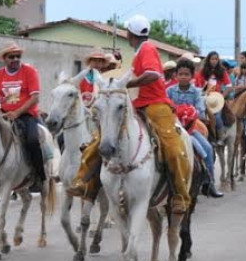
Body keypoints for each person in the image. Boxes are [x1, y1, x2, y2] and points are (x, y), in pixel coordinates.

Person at [67, 15, 192, 215]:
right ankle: (83, 182)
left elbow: (153, 74)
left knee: (173, 147)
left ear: (129, 34)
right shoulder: (138, 52)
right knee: (103, 138)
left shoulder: (147, 49)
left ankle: (180, 196)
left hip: (157, 104)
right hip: (136, 104)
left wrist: (127, 84)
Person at [0, 41, 46, 192]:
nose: (15, 59)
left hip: (26, 115)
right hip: (4, 116)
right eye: (11, 56)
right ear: (4, 59)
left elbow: (35, 98)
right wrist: (0, 115)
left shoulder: (29, 71)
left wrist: (17, 113)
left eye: (18, 56)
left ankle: (39, 177)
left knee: (33, 141)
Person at [167, 59, 222, 198]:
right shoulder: (169, 91)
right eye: (180, 74)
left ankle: (209, 183)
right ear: (176, 75)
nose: (183, 77)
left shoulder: (196, 92)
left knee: (207, 149)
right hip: (173, 127)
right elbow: (166, 108)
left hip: (191, 128)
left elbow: (200, 110)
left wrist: (188, 114)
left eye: (186, 74)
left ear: (192, 76)